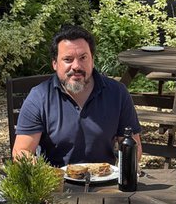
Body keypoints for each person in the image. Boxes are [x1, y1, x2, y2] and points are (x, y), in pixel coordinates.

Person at [13, 25, 142, 166]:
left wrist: (121, 176)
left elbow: (133, 147)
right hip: (56, 182)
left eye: (83, 58)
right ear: (55, 63)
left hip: (105, 182)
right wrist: (42, 174)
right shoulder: (39, 97)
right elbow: (21, 151)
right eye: (68, 59)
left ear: (92, 60)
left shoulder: (117, 93)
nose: (76, 66)